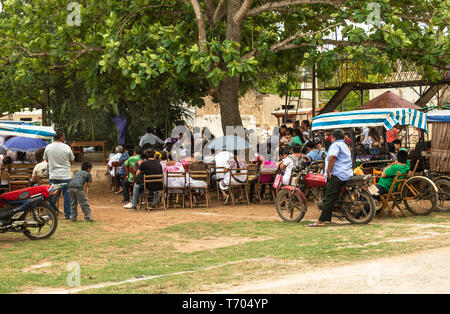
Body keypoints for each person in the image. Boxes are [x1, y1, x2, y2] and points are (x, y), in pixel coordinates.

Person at [309, 129, 353, 227]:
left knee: (329, 197)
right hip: (346, 173)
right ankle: (330, 214)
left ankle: (321, 220)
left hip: (337, 174)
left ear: (334, 138)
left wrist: (328, 171)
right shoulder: (345, 145)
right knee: (331, 195)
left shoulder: (335, 145)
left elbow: (333, 157)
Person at [43, 129, 75, 220]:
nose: (64, 138)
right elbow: (72, 161)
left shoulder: (48, 147)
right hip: (66, 176)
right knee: (67, 196)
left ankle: (51, 214)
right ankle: (67, 214)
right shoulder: (66, 147)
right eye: (63, 136)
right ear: (61, 137)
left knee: (52, 196)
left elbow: (46, 160)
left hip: (53, 176)